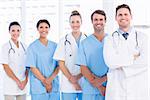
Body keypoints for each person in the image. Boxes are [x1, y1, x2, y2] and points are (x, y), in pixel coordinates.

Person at [103, 4, 148, 100]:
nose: (123, 17)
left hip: (137, 87)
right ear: (116, 18)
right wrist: (133, 57)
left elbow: (146, 61)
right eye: (120, 15)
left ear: (131, 16)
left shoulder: (143, 37)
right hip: (117, 88)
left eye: (126, 14)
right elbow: (110, 62)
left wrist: (120, 64)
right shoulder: (109, 39)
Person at [53, 10, 86, 100]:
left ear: (81, 22)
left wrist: (78, 78)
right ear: (69, 23)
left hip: (83, 82)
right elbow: (61, 63)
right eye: (72, 22)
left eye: (77, 21)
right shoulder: (63, 40)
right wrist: (72, 79)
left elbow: (89, 63)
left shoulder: (87, 40)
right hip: (68, 84)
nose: (75, 24)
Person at [76, 10, 108, 100]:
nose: (98, 22)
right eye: (96, 19)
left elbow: (115, 66)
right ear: (92, 22)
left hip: (109, 88)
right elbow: (83, 68)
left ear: (105, 21)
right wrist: (99, 86)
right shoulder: (84, 43)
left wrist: (103, 80)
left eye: (101, 19)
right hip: (90, 89)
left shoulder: (112, 41)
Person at [25, 19, 60, 100]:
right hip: (38, 86)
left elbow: (59, 66)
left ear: (49, 29)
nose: (44, 29)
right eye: (41, 27)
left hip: (53, 85)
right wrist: (46, 82)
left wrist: (50, 80)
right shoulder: (32, 47)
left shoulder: (55, 46)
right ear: (37, 29)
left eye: (46, 27)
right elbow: (32, 67)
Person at [0, 21, 28, 100]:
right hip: (10, 84)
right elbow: (6, 67)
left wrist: (25, 81)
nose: (16, 33)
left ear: (21, 31)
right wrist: (18, 81)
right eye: (13, 30)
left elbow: (28, 66)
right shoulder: (5, 47)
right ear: (9, 31)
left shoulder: (25, 47)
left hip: (23, 85)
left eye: (18, 30)